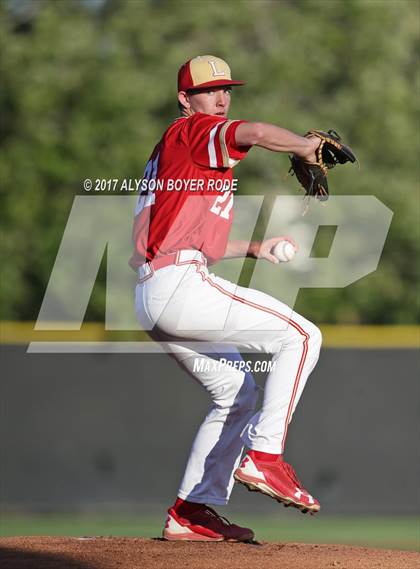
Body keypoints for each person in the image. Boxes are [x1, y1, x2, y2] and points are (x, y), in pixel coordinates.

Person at [130, 55, 323, 543]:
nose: (220, 98)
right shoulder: (191, 132)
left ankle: (191, 510)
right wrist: (305, 148)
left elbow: (178, 240)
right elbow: (255, 132)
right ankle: (265, 457)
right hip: (178, 286)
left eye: (226, 89)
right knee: (302, 335)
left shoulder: (176, 155)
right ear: (185, 99)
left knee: (237, 395)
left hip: (158, 288)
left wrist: (253, 247)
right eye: (208, 90)